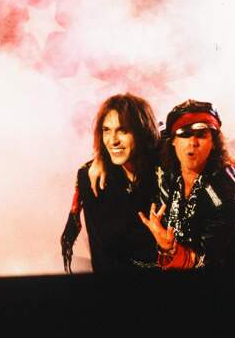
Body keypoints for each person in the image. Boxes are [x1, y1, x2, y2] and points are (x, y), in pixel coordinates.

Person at [138, 99, 235, 269]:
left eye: (201, 135)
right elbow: (128, 143)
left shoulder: (225, 193)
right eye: (184, 134)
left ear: (213, 142)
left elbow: (207, 261)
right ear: (172, 140)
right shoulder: (164, 154)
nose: (192, 142)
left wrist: (169, 248)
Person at [60, 93, 161, 273]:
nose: (113, 140)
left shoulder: (165, 168)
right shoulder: (92, 178)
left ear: (142, 132)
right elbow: (102, 254)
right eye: (106, 130)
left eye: (123, 130)